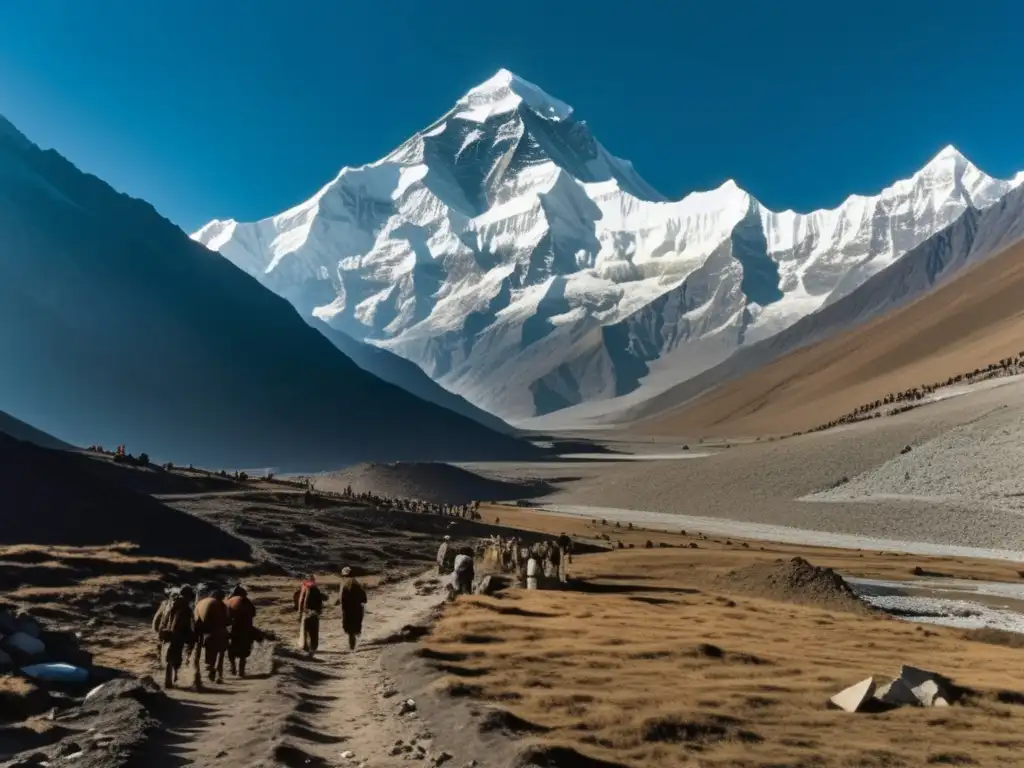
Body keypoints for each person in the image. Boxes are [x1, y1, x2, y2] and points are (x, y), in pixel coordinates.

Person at [152, 585, 195, 689]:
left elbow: (157, 621)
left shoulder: (167, 604)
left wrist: (160, 632)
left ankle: (168, 680)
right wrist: (191, 638)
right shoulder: (187, 608)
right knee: (176, 656)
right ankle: (173, 677)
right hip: (178, 635)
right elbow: (190, 625)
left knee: (168, 656)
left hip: (166, 633)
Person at [194, 588, 229, 687]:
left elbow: (197, 622)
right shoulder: (222, 605)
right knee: (221, 652)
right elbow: (227, 620)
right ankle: (219, 673)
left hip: (207, 634)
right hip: (221, 632)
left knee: (209, 651)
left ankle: (208, 667)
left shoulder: (201, 603)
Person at [225, 584, 257, 678]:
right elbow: (253, 614)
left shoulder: (229, 602)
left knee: (231, 649)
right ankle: (241, 671)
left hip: (234, 629)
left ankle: (233, 667)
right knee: (244, 651)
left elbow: (226, 618)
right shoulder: (247, 602)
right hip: (246, 629)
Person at [339, 567, 367, 651]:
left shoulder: (344, 583)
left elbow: (342, 598)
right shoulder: (357, 582)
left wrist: (343, 607)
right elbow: (364, 598)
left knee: (348, 626)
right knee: (356, 624)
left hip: (347, 608)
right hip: (357, 608)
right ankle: (354, 638)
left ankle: (352, 644)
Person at [296, 575, 325, 657]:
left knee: (305, 631)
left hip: (307, 613)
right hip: (313, 613)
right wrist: (319, 611)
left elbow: (301, 601)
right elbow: (320, 601)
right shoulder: (315, 589)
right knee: (313, 632)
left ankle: (306, 648)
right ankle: (312, 649)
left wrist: (300, 612)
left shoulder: (305, 588)